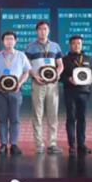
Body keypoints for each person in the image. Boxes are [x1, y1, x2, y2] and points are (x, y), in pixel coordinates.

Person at [24, 21, 64, 154]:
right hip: (38, 84)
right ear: (37, 31)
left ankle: (52, 143)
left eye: (45, 29)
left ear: (49, 30)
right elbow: (26, 66)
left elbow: (60, 65)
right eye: (40, 29)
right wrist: (35, 76)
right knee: (37, 114)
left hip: (52, 85)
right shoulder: (30, 47)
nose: (43, 31)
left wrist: (57, 74)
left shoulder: (55, 46)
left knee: (53, 114)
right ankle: (39, 144)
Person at [0, 31, 31, 156]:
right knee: (2, 119)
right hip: (0, 92)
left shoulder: (21, 56)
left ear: (15, 41)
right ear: (2, 41)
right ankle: (3, 144)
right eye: (7, 39)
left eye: (11, 39)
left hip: (16, 92)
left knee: (15, 119)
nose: (9, 41)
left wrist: (19, 84)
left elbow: (27, 71)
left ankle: (14, 144)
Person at [60, 35, 92, 156]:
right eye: (74, 43)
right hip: (70, 92)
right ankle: (72, 144)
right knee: (71, 118)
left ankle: (81, 144)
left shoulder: (88, 59)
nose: (77, 45)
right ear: (70, 45)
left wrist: (91, 79)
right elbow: (60, 76)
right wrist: (68, 79)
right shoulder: (65, 60)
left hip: (84, 92)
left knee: (82, 118)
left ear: (81, 45)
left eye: (79, 43)